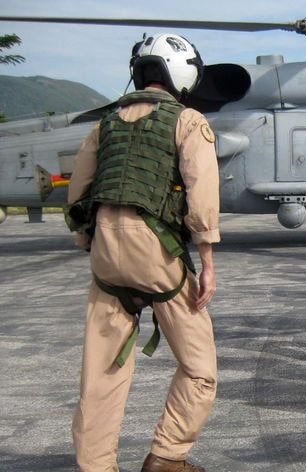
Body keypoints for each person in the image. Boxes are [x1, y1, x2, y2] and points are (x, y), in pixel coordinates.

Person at [66, 33, 219, 472]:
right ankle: (168, 457)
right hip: (155, 251)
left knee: (99, 373)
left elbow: (80, 188)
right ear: (182, 73)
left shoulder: (106, 122)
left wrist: (88, 241)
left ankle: (95, 465)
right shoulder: (188, 121)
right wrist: (207, 264)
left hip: (104, 252)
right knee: (199, 366)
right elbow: (202, 195)